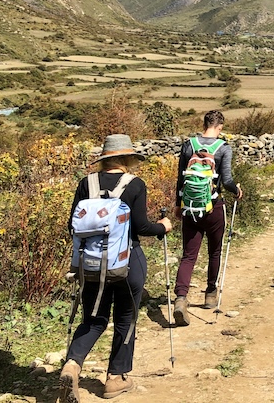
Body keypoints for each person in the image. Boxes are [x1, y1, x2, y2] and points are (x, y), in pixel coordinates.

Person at [60, 134, 171, 402]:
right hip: (127, 261)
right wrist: (163, 227)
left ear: (104, 159)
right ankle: (115, 378)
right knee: (125, 318)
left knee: (93, 319)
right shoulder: (135, 185)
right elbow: (141, 227)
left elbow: (71, 225)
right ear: (128, 158)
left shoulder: (86, 183)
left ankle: (72, 365)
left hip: (91, 264)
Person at [172, 109, 242, 326]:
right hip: (213, 207)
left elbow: (180, 178)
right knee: (214, 251)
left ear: (204, 124)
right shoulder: (223, 148)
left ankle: (181, 298)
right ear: (220, 127)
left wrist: (178, 204)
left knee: (188, 255)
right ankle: (210, 294)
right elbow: (227, 180)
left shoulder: (188, 145)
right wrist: (237, 190)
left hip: (190, 207)